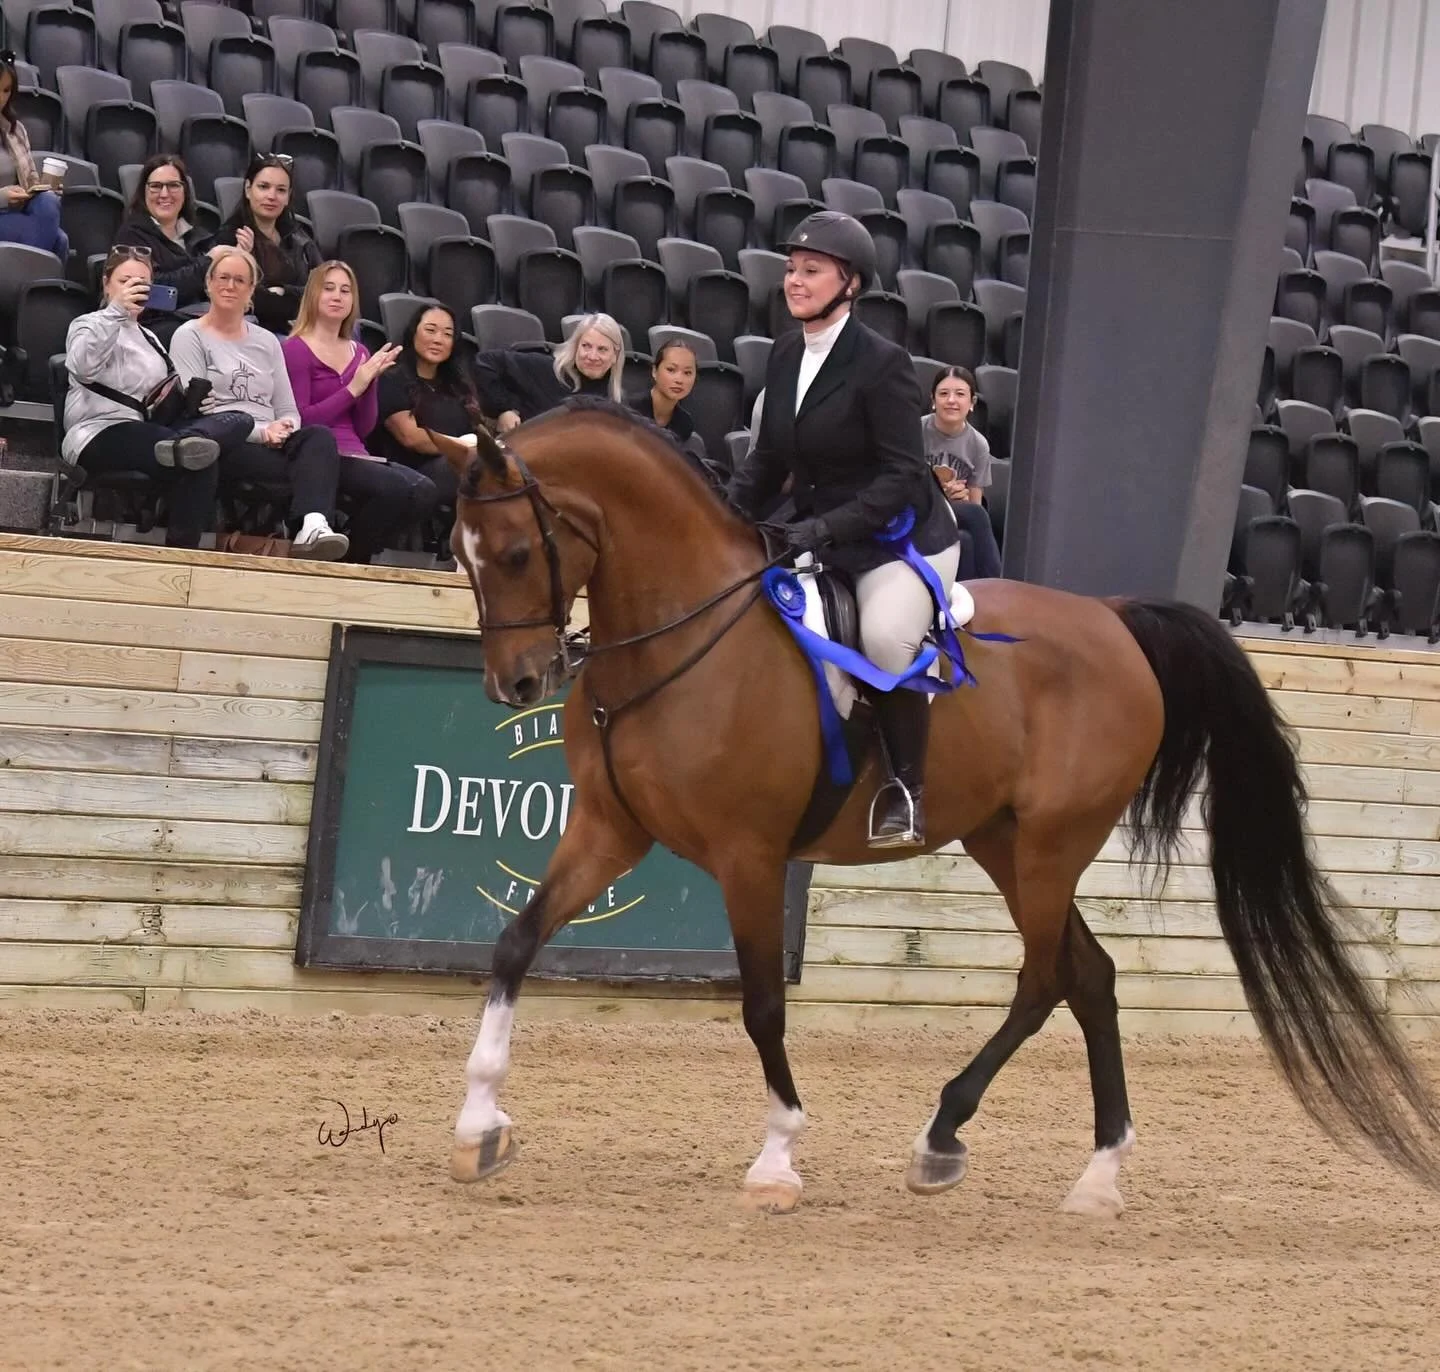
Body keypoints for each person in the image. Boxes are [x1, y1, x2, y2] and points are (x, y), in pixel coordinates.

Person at [726, 212, 961, 849]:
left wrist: (826, 527)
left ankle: (907, 791)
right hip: (818, 528)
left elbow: (901, 475)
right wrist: (723, 516)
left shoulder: (883, 363)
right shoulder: (784, 353)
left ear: (850, 283)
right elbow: (767, 458)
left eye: (812, 270)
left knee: (883, 639)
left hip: (897, 538)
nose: (794, 281)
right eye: (791, 269)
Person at [62, 245, 251, 548]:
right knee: (196, 457)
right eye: (125, 282)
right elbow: (82, 367)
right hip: (98, 430)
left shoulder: (149, 336)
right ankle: (181, 551)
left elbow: (161, 393)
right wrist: (116, 311)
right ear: (107, 284)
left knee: (235, 424)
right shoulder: (89, 323)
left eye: (142, 284)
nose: (134, 289)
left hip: (147, 429)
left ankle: (189, 444)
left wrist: (192, 400)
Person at [169, 247, 350, 560]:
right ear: (209, 283)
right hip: (225, 441)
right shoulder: (189, 335)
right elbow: (198, 408)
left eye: (240, 280)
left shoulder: (267, 341)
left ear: (251, 289)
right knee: (222, 433)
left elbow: (288, 408)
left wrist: (285, 428)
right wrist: (261, 433)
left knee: (319, 437)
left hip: (271, 441)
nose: (230, 286)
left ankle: (313, 526)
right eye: (223, 278)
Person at [283, 261, 440, 563]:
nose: (337, 296)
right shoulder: (295, 349)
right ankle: (350, 557)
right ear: (313, 295)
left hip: (357, 452)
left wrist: (370, 383)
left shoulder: (360, 352)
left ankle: (353, 552)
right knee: (397, 488)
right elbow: (302, 420)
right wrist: (354, 387)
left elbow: (364, 427)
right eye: (329, 288)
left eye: (345, 290)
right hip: (320, 455)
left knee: (424, 491)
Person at [373, 302, 480, 512]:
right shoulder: (392, 378)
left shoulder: (458, 386)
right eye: (430, 330)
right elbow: (411, 437)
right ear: (413, 333)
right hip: (409, 474)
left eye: (447, 334)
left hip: (457, 466)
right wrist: (463, 447)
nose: (438, 339)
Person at [210, 153, 322, 334]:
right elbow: (250, 300)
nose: (272, 196)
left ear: (288, 196)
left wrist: (285, 291)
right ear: (248, 189)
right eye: (263, 187)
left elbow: (323, 288)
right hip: (256, 332)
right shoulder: (230, 237)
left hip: (303, 329)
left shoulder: (300, 238)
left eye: (281, 190)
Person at [113, 154, 216, 335]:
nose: (164, 194)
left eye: (173, 185)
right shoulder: (131, 236)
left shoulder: (200, 236)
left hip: (201, 322)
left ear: (185, 191)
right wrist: (207, 264)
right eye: (156, 186)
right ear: (144, 191)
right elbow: (152, 294)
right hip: (155, 329)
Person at [476, 312, 625, 432]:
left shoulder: (615, 399)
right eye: (586, 346)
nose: (592, 356)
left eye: (602, 349)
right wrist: (503, 410)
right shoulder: (544, 368)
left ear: (615, 356)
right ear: (576, 346)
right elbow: (485, 362)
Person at [924, 367, 1003, 580]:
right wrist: (939, 493)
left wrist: (963, 499)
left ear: (972, 402)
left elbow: (975, 503)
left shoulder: (978, 444)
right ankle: (995, 584)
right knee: (977, 516)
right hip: (919, 510)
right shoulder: (916, 431)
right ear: (933, 400)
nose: (951, 400)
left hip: (953, 514)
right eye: (943, 394)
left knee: (966, 540)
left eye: (960, 394)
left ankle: (972, 594)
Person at [0, 51, 68, 260]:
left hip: (17, 212)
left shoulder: (16, 130)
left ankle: (29, 272)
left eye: (6, 90)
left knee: (48, 202)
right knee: (58, 240)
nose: (1, 97)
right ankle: (37, 276)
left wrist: (45, 188)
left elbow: (30, 182)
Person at [629, 338, 697, 443]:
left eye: (687, 373)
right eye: (671, 370)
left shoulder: (684, 423)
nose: (679, 380)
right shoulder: (629, 409)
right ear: (654, 371)